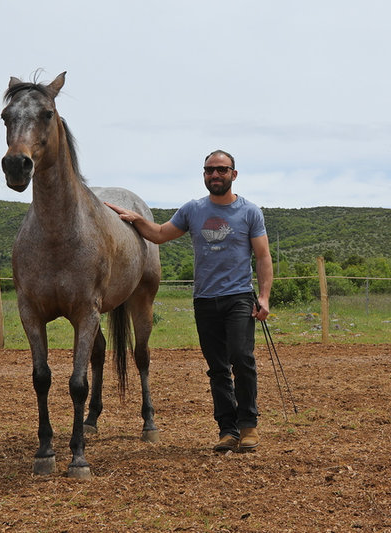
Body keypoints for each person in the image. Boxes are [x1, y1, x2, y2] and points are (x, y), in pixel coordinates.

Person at [106, 149, 273, 453]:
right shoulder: (192, 210)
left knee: (242, 358)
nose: (215, 175)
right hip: (205, 300)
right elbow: (158, 234)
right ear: (204, 175)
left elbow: (262, 256)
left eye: (222, 170)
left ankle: (249, 425)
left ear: (233, 174)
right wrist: (133, 219)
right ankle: (227, 430)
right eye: (209, 170)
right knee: (217, 367)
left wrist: (263, 296)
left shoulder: (250, 212)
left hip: (238, 297)